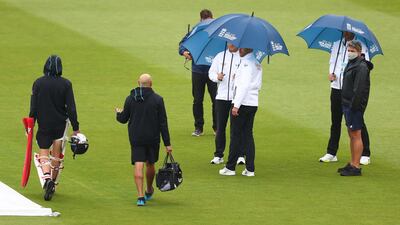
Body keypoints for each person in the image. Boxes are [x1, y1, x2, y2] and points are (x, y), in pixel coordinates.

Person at [29, 55, 80, 201]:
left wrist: (31, 124)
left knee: (43, 153)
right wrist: (76, 128)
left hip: (43, 122)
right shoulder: (66, 84)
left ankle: (46, 179)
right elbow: (71, 108)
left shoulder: (38, 83)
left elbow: (33, 106)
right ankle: (53, 182)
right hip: (60, 123)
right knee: (56, 155)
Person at [116, 74, 172, 206]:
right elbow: (163, 123)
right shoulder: (158, 99)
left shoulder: (130, 98)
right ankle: (149, 189)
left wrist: (118, 113)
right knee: (150, 164)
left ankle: (140, 196)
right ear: (151, 83)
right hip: (152, 137)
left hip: (136, 137)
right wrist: (167, 143)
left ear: (138, 83)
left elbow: (123, 119)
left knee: (138, 164)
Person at [319, 31, 372, 165]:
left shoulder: (360, 46)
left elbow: (364, 67)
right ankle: (331, 152)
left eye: (346, 32)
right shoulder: (337, 44)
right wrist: (331, 73)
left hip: (351, 91)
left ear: (352, 32)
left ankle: (365, 153)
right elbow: (332, 61)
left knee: (358, 121)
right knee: (335, 121)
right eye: (343, 32)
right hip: (336, 88)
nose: (344, 34)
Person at [219, 48, 262, 177]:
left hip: (242, 103)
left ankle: (230, 167)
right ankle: (250, 169)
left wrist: (236, 105)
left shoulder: (246, 64)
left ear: (245, 49)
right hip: (253, 102)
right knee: (248, 135)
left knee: (235, 135)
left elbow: (244, 86)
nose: (239, 50)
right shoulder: (256, 62)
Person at [179, 9, 217, 136]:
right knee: (201, 100)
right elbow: (182, 45)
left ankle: (204, 128)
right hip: (201, 71)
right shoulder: (196, 30)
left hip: (211, 72)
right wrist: (185, 52)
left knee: (205, 100)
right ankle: (206, 127)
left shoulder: (216, 31)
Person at [338, 40, 373, 176]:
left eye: (352, 51)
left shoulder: (361, 67)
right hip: (348, 103)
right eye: (349, 50)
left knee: (356, 135)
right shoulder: (352, 63)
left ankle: (356, 166)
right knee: (351, 134)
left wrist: (354, 106)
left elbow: (358, 90)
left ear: (359, 52)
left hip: (354, 106)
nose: (349, 53)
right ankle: (352, 162)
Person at [208, 43, 245, 165]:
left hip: (237, 98)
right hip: (222, 96)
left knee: (237, 128)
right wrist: (217, 77)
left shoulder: (242, 57)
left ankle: (240, 154)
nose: (231, 45)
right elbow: (211, 73)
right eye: (229, 42)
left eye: (233, 43)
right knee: (220, 127)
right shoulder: (220, 56)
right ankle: (219, 155)